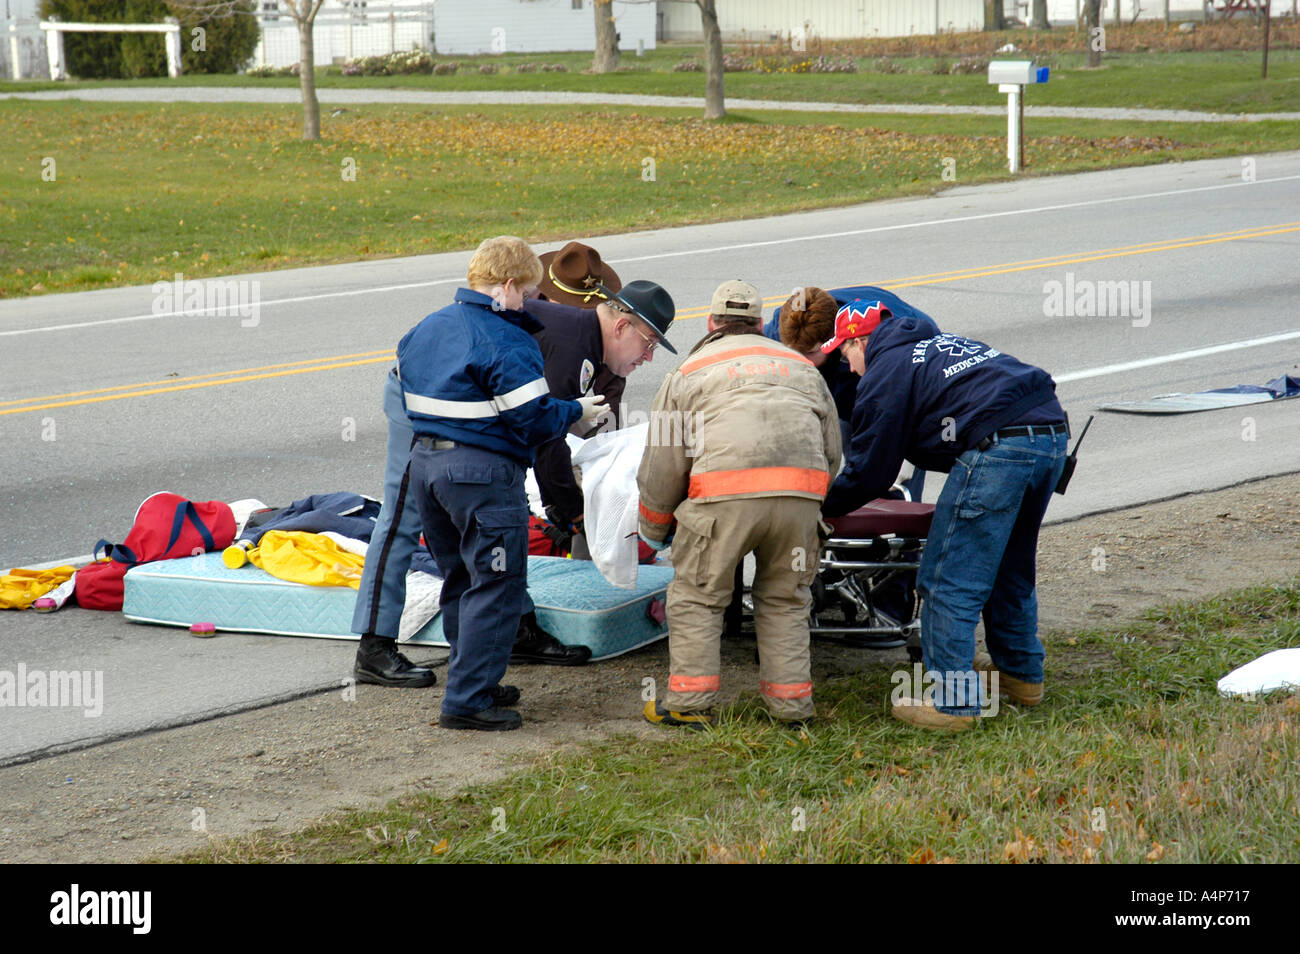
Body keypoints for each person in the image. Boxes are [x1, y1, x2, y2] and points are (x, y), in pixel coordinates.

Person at [348, 242, 640, 687]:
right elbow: (543, 435)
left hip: (475, 412)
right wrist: (568, 508)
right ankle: (374, 644)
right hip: (426, 406)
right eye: (528, 293)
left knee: (497, 509)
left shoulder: (573, 332)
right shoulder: (556, 335)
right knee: (402, 516)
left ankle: (515, 628)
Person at [818, 299, 1069, 731]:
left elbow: (871, 471)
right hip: (1050, 435)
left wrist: (821, 505)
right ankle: (1020, 675)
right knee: (1009, 567)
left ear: (860, 341)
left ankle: (955, 704)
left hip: (1001, 446)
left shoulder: (886, 368)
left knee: (947, 577)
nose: (852, 369)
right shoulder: (935, 344)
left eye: (846, 355)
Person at [395, 236, 610, 731]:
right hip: (480, 477)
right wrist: (575, 412)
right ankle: (468, 702)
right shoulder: (506, 338)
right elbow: (533, 420)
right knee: (497, 585)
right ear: (509, 286)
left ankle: (472, 680)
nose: (533, 302)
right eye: (531, 293)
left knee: (462, 580)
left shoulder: (427, 328)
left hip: (426, 467)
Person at [637, 281, 841, 728]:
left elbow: (664, 464)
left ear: (711, 323)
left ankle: (689, 706)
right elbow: (832, 454)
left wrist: (653, 529)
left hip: (722, 505)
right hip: (798, 503)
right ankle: (791, 710)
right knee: (787, 599)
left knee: (698, 596)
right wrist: (809, 502)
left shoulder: (689, 372)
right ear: (761, 323)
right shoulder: (803, 368)